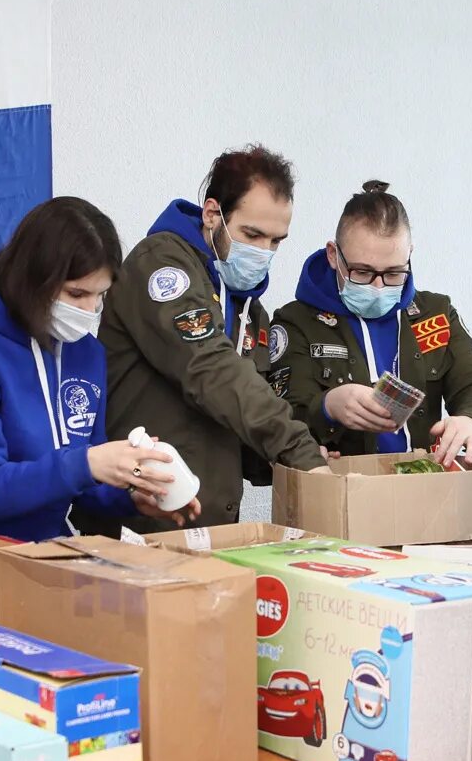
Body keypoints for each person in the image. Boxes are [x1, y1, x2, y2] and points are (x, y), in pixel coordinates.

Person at [0, 197, 199, 541]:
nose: (90, 311)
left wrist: (131, 494)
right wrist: (88, 463)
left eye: (100, 295)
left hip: (45, 551)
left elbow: (79, 484)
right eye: (76, 293)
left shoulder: (85, 351)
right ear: (32, 277)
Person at [87, 144, 326, 532]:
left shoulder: (249, 311)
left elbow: (239, 417)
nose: (264, 252)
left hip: (211, 526)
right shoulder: (163, 267)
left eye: (277, 241)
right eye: (253, 234)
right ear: (213, 214)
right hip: (140, 524)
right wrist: (299, 450)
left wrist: (295, 457)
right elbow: (211, 370)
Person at [267, 181, 472, 463]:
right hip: (345, 488)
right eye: (362, 272)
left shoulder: (437, 314)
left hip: (423, 486)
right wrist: (327, 406)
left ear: (409, 255)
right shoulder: (296, 322)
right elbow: (280, 418)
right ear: (333, 255)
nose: (378, 286)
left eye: (393, 273)